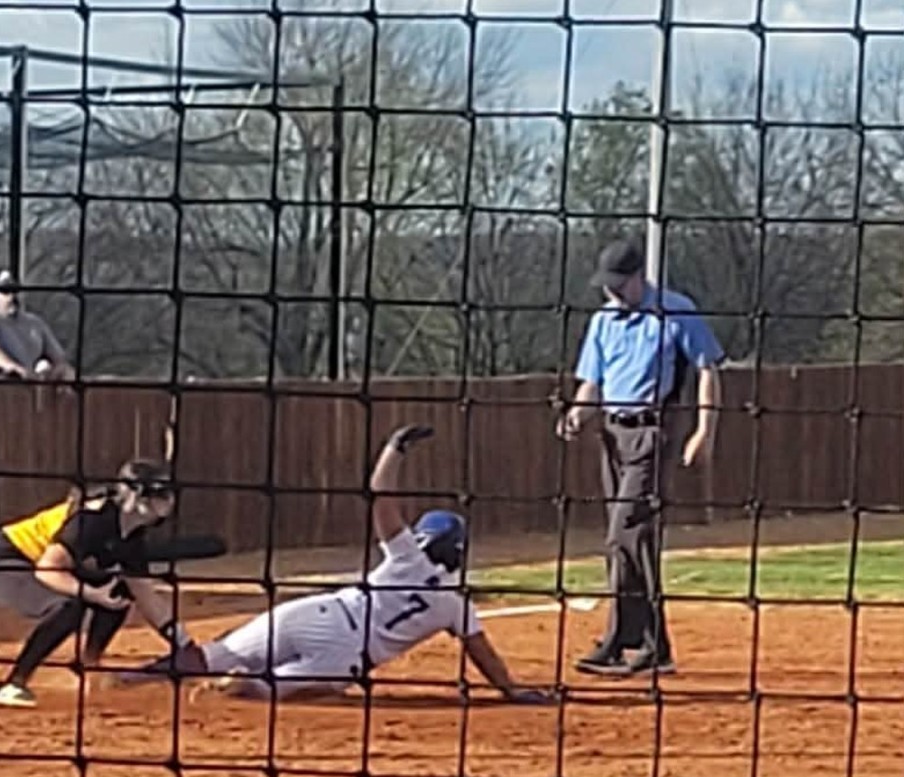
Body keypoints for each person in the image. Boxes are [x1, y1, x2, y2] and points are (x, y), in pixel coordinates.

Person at [121, 425, 551, 704]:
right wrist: (512, 691)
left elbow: (380, 494)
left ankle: (126, 683)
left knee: (213, 653)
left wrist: (394, 449)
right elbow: (484, 655)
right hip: (347, 651)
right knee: (282, 690)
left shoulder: (407, 557)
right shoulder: (455, 603)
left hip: (317, 610)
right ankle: (236, 686)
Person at [558, 237, 725, 678]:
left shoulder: (675, 310)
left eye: (619, 284)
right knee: (633, 542)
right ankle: (653, 645)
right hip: (612, 435)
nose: (612, 292)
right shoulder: (604, 320)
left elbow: (709, 368)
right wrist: (578, 414)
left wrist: (704, 431)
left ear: (638, 278)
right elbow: (591, 382)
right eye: (606, 285)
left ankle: (621, 640)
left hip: (653, 432)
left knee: (624, 533)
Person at [0, 458, 190, 708]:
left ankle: (90, 670)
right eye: (161, 493)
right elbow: (48, 569)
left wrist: (184, 643)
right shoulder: (92, 519)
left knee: (118, 595)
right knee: (70, 606)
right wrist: (93, 594)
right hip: (8, 560)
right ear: (135, 495)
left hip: (52, 566)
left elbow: (145, 594)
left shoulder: (131, 536)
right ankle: (12, 683)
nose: (169, 501)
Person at [0, 269, 74, 380]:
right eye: (5, 292)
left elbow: (58, 358)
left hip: (27, 385)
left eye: (15, 290)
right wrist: (14, 368)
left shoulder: (35, 323)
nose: (11, 296)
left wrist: (54, 373)